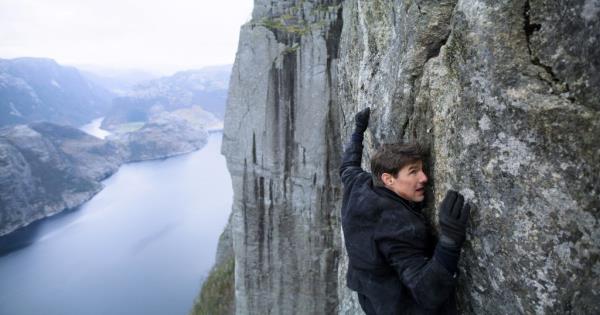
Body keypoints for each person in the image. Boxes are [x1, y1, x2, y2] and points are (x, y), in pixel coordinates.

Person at [340, 107, 471, 315]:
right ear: (388, 179)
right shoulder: (398, 226)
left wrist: (358, 130)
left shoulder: (359, 185)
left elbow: (347, 166)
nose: (424, 178)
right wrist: (450, 240)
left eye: (422, 169)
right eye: (413, 172)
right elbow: (428, 292)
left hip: (370, 295)